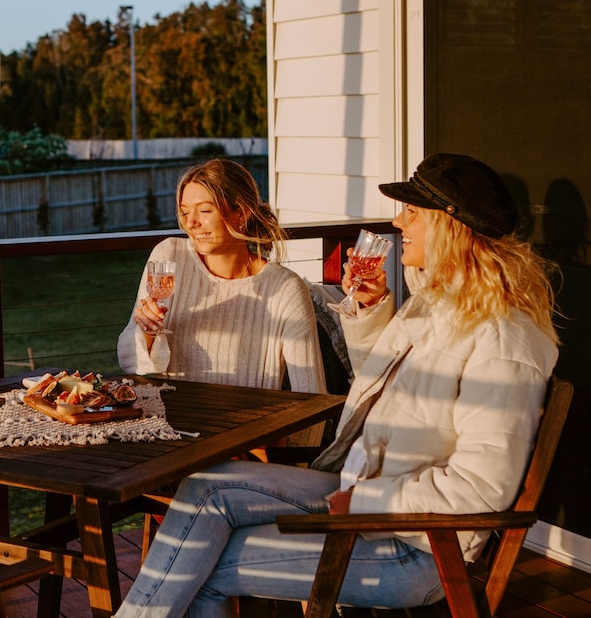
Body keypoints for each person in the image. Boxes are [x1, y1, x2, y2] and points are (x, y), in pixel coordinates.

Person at [114, 153, 560, 617]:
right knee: (206, 488)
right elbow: (386, 393)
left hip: (416, 546)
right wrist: (371, 310)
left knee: (198, 565)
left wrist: (363, 499)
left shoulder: (504, 338)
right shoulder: (438, 305)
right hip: (368, 494)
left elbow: (482, 489)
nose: (397, 221)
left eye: (412, 212)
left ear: (451, 226)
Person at [117, 158, 325, 422]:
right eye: (185, 212)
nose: (191, 223)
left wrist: (281, 445)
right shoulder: (168, 258)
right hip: (165, 424)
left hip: (244, 433)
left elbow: (313, 397)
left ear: (241, 213)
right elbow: (128, 361)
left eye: (205, 211)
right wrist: (146, 332)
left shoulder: (285, 289)